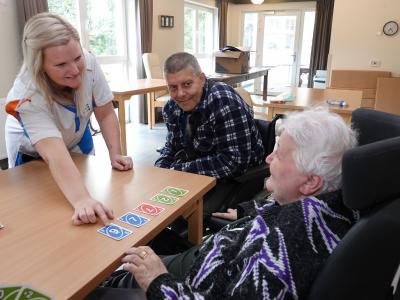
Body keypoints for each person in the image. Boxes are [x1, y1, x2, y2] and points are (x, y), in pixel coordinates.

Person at [88, 108, 359, 300]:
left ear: (310, 182)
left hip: (186, 285)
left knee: (101, 280)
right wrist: (248, 215)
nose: (268, 159)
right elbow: (281, 212)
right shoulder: (332, 203)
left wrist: (158, 281)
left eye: (279, 155)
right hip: (207, 260)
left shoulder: (288, 246)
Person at [4, 13, 132, 226]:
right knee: (43, 212)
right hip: (32, 151)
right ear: (40, 65)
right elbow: (54, 154)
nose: (75, 70)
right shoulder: (25, 93)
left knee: (91, 189)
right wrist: (81, 199)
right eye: (61, 64)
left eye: (77, 58)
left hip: (76, 132)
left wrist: (115, 153)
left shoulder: (89, 61)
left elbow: (105, 111)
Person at [154, 52, 265, 215]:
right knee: (158, 203)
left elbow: (234, 162)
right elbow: (172, 147)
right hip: (201, 172)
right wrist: (160, 170)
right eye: (173, 88)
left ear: (201, 79)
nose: (180, 94)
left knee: (187, 215)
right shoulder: (171, 108)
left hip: (239, 177)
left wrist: (180, 170)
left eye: (187, 84)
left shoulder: (223, 101)